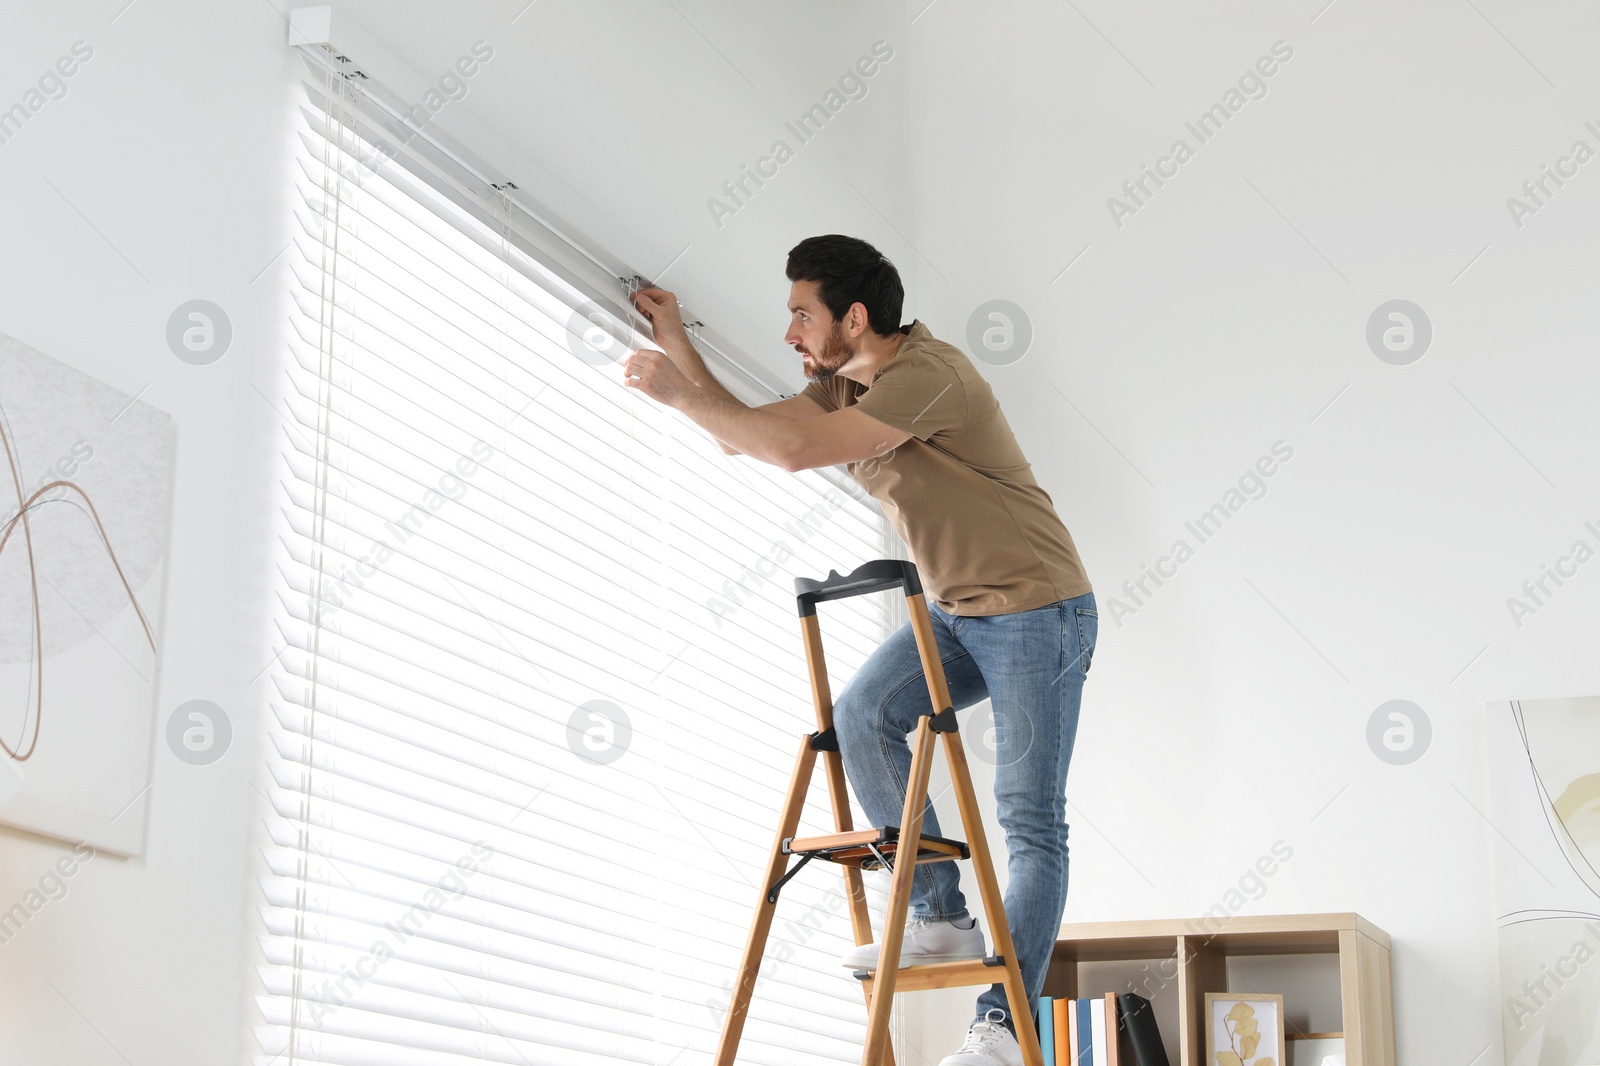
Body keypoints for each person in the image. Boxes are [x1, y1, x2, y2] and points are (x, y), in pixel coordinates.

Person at [621, 234, 1097, 1066]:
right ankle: (942, 917)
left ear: (855, 316)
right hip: (956, 609)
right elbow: (751, 436)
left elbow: (795, 452)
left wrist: (676, 393)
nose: (791, 334)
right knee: (862, 716)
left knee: (1029, 822)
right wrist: (679, 351)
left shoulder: (927, 377)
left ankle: (1001, 1028)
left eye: (802, 315)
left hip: (1037, 608)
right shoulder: (848, 381)